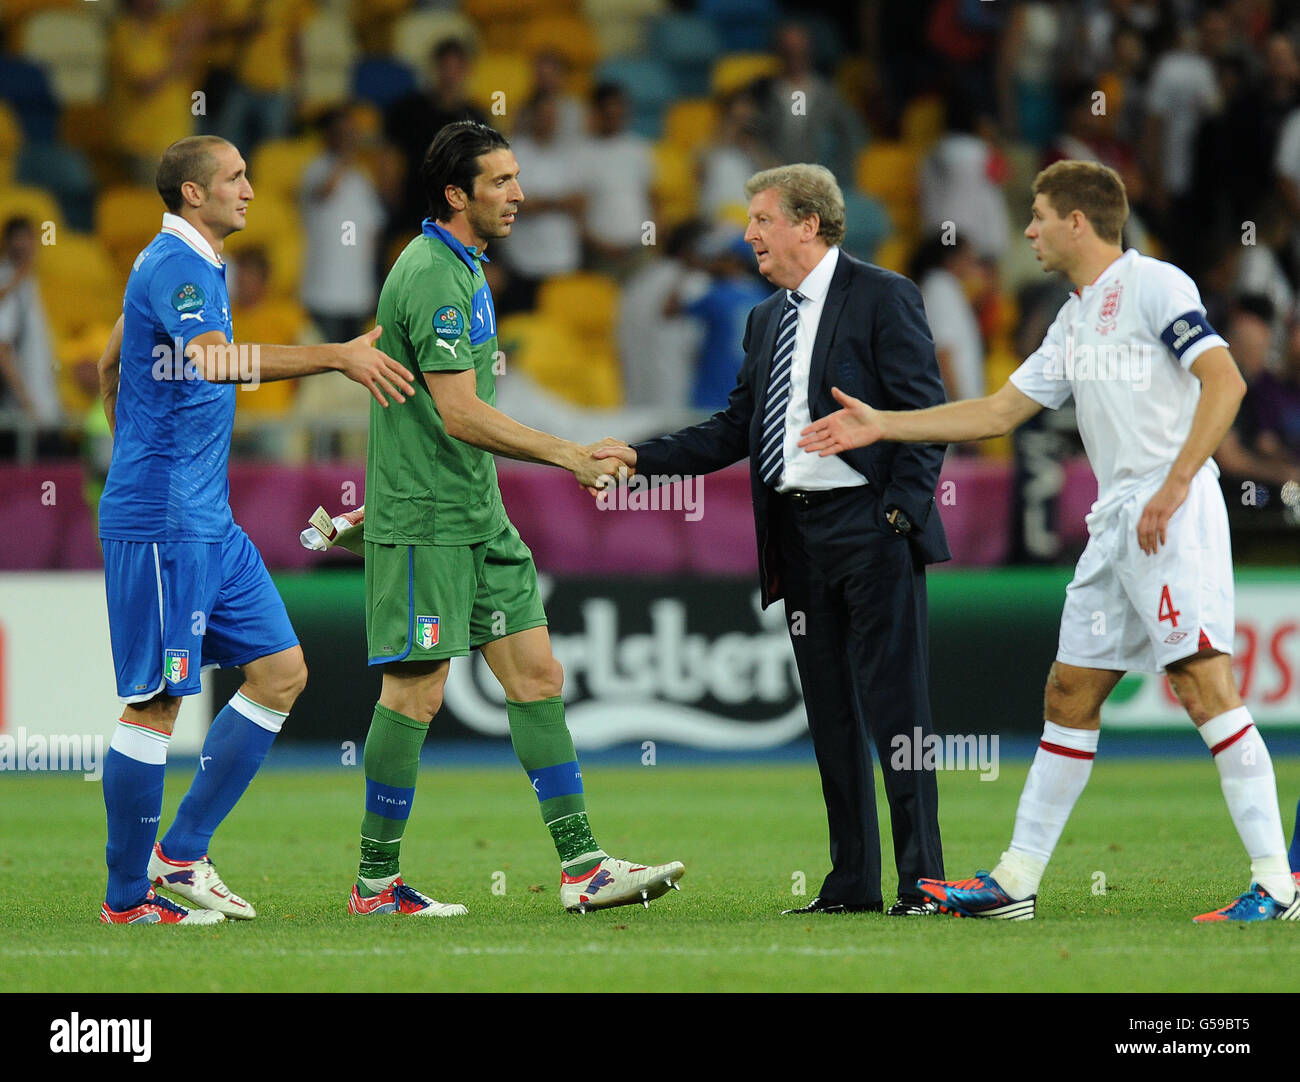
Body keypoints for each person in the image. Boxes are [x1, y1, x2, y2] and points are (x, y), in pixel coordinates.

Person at [801, 160, 1300, 923]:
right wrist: (882, 424)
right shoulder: (1073, 317)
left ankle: (1275, 884)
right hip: (1116, 523)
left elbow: (1224, 381)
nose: (1026, 231)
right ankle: (1016, 882)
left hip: (1171, 511)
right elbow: (999, 412)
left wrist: (1173, 484)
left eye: (1036, 215)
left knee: (1204, 686)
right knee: (1069, 693)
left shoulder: (1156, 285)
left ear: (1078, 220)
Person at [596, 163, 950, 916]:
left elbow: (925, 413)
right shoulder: (766, 319)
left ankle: (922, 881)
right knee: (830, 715)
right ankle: (851, 883)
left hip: (869, 528)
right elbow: (734, 429)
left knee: (898, 712)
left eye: (760, 219)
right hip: (797, 535)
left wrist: (900, 515)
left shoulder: (884, 296)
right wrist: (639, 457)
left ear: (808, 223)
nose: (747, 234)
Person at [350, 120, 683, 917]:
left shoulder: (461, 270)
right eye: (500, 181)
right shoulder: (432, 272)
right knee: (415, 695)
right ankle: (375, 883)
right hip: (430, 520)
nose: (521, 195)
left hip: (475, 511)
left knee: (538, 676)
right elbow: (460, 413)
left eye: (517, 177)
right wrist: (569, 454)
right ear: (456, 195)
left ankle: (583, 868)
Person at [96, 134, 414, 926]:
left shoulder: (188, 265)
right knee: (155, 707)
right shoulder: (174, 265)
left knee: (280, 671)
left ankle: (182, 854)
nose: (250, 188)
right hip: (168, 521)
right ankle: (126, 902)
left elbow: (112, 363)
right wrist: (335, 356)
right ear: (193, 194)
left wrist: (132, 432)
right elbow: (209, 361)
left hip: (208, 518)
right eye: (235, 177)